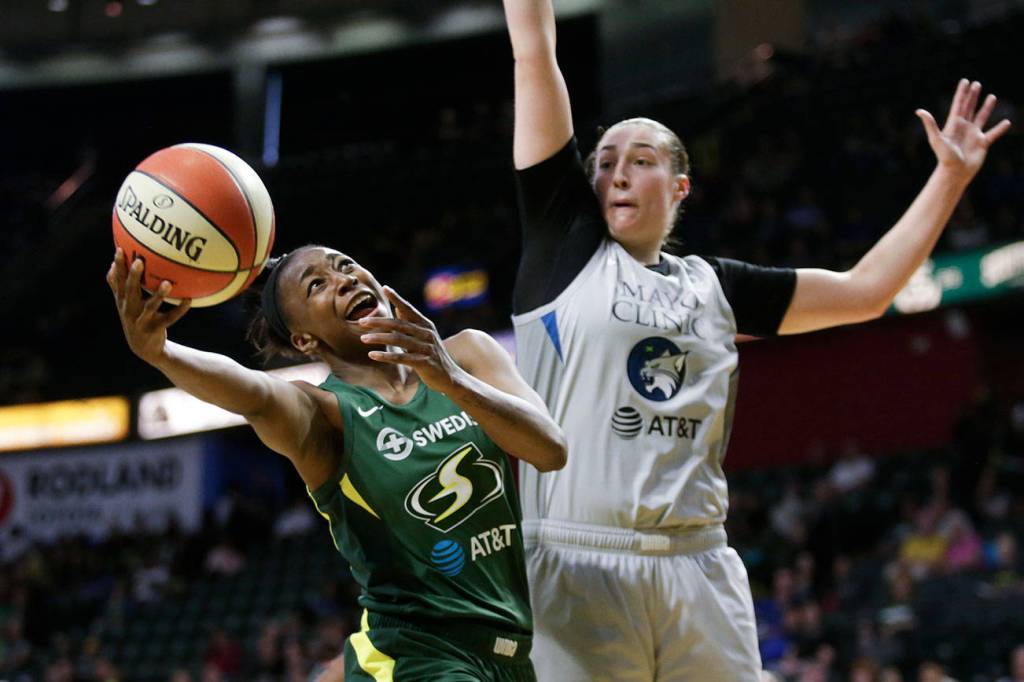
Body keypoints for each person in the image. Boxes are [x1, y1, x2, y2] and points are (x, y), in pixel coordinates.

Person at [500, 2, 1011, 680]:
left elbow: (866, 291)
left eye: (641, 158)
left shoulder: (717, 287)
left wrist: (948, 178)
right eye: (604, 161)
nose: (616, 172)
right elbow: (535, 52)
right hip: (575, 562)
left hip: (698, 564)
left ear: (679, 187)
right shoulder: (563, 251)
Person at [107, 244, 567, 681]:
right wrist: (162, 353)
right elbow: (252, 393)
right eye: (316, 285)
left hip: (510, 654)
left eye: (344, 265)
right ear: (305, 339)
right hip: (417, 656)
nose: (343, 280)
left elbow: (550, 449)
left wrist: (449, 378)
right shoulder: (324, 414)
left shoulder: (468, 354)